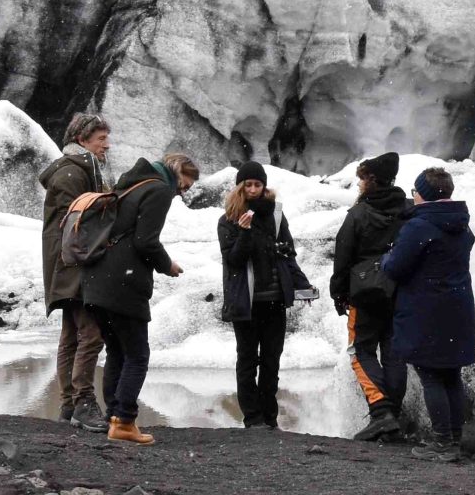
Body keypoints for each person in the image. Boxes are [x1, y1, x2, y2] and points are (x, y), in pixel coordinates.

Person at [84, 150, 197, 445]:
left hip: (97, 279)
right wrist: (167, 264)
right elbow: (145, 241)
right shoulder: (159, 189)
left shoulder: (131, 184)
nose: (182, 193)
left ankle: (113, 417)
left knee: (117, 352)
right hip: (124, 282)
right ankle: (123, 422)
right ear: (176, 172)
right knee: (137, 355)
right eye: (184, 186)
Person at [383, 167, 475, 460]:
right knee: (451, 375)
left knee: (431, 375)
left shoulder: (419, 227)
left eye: (415, 191)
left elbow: (395, 268)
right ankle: (455, 440)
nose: (413, 196)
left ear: (423, 194)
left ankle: (442, 442)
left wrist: (386, 256)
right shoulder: (462, 224)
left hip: (427, 309)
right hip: (457, 307)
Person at [332, 151, 414, 442]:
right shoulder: (408, 210)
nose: (359, 184)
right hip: (399, 291)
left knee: (360, 351)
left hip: (364, 292)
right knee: (393, 353)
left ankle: (381, 412)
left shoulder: (358, 213)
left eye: (362, 179)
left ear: (372, 180)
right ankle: (394, 418)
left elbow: (343, 255)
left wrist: (338, 293)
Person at [38, 113, 112, 429]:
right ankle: (83, 402)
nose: (107, 146)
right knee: (92, 335)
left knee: (71, 336)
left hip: (66, 266)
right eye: (101, 139)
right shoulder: (72, 174)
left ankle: (69, 406)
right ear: (82, 140)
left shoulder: (76, 170)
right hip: (74, 266)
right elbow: (76, 225)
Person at [219, 160, 303, 429]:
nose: (253, 190)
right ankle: (252, 418)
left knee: (271, 360)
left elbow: (288, 251)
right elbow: (234, 260)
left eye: (258, 184)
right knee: (247, 360)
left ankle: (270, 417)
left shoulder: (276, 215)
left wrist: (299, 280)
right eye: (248, 185)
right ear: (240, 188)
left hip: (274, 300)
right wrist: (244, 232)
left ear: (264, 186)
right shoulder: (228, 220)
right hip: (246, 302)